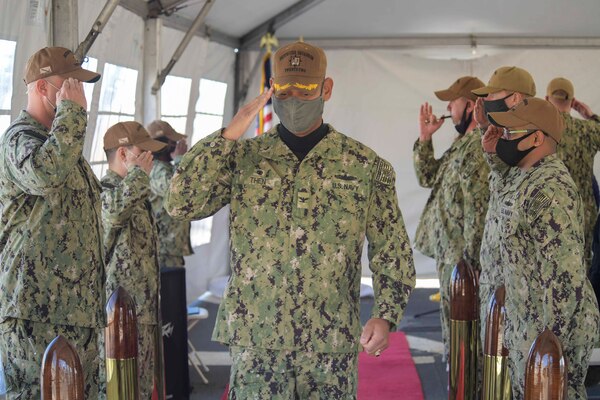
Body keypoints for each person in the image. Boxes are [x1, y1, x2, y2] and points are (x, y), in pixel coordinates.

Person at [164, 41, 416, 398]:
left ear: (326, 89)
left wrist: (385, 314)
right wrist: (226, 137)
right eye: (285, 88)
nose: (295, 97)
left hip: (329, 344)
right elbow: (181, 202)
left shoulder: (364, 166)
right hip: (257, 342)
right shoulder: (241, 158)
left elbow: (392, 250)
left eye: (306, 88)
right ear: (271, 89)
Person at [0, 47, 104, 398]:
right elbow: (44, 175)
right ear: (42, 88)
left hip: (75, 312)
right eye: (68, 84)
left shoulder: (61, 143)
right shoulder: (19, 140)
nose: (78, 93)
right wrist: (72, 115)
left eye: (81, 85)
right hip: (35, 315)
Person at [485, 97, 599, 399]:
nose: (504, 139)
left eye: (512, 133)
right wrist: (493, 157)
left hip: (548, 333)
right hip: (528, 326)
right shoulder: (525, 175)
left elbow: (566, 274)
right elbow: (503, 207)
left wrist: (551, 348)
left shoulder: (549, 187)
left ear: (536, 138)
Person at [413, 76, 489, 362]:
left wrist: (472, 264)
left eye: (452, 101)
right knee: (456, 338)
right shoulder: (462, 145)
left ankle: (466, 387)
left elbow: (477, 210)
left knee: (465, 341)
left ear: (470, 105)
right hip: (451, 259)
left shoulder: (477, 147)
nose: (447, 107)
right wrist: (425, 137)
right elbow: (427, 177)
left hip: (462, 263)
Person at [471, 66, 536, 351]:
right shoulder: (507, 136)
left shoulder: (533, 141)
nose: (487, 101)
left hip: (520, 292)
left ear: (515, 98)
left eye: (493, 95)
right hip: (497, 278)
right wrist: (486, 129)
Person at [100, 122, 166, 399]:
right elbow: (112, 215)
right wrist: (138, 177)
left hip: (144, 312)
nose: (150, 160)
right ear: (123, 155)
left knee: (140, 389)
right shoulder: (103, 191)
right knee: (121, 391)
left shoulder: (137, 195)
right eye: (143, 153)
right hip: (120, 319)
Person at [545, 77, 600, 271]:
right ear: (572, 101)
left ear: (546, 99)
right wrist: (591, 115)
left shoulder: (539, 131)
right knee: (580, 272)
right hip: (582, 215)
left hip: (547, 216)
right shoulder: (587, 130)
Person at [146, 120, 193, 268]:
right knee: (169, 290)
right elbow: (177, 191)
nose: (177, 144)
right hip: (163, 250)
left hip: (170, 249)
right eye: (173, 141)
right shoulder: (156, 169)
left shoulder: (166, 168)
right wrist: (180, 159)